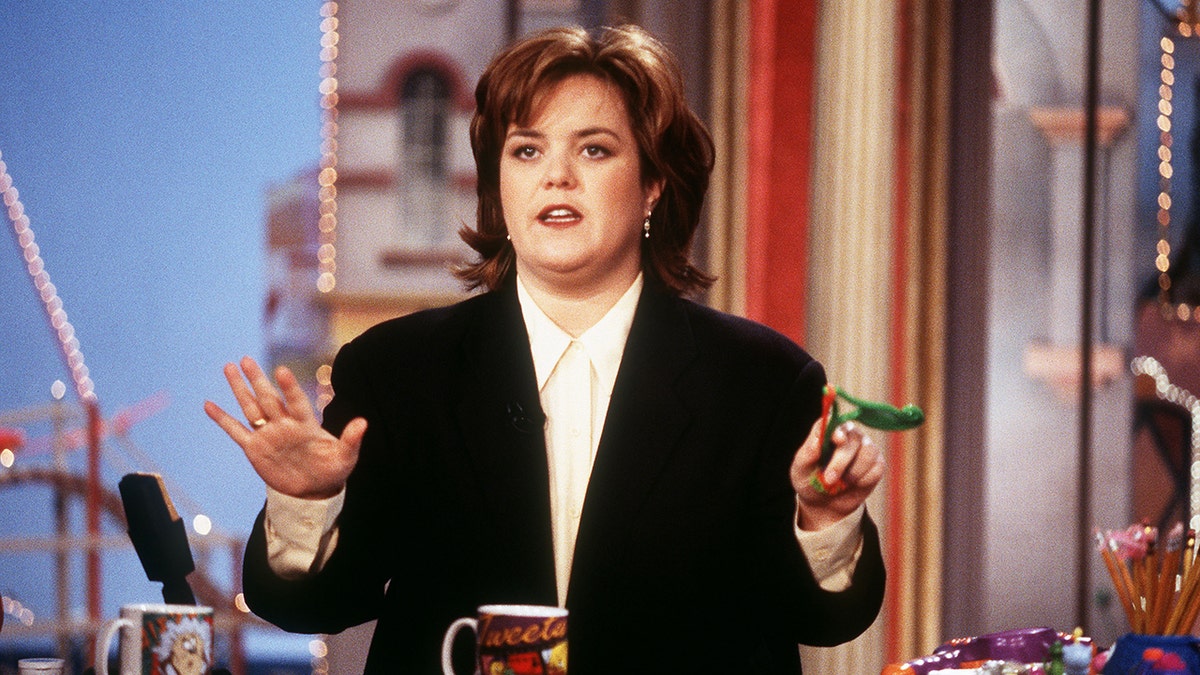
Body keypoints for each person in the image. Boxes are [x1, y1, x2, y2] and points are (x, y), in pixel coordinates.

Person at [205, 24, 886, 674]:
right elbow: (315, 604)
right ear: (499, 185)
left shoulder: (760, 382)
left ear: (653, 183)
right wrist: (304, 502)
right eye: (526, 150)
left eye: (594, 149)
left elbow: (825, 619)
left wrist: (824, 519)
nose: (556, 175)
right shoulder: (397, 372)